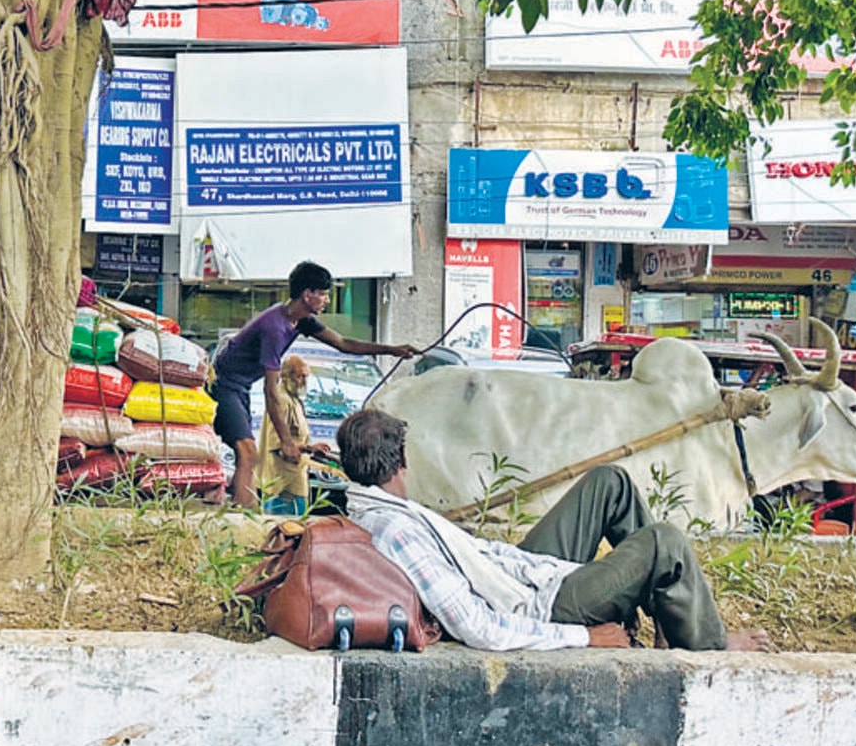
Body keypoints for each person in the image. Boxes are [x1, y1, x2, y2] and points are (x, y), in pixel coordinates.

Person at [336, 408, 773, 652]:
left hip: (511, 580)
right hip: (532, 609)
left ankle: (670, 620)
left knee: (609, 483)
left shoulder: (380, 507)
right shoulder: (395, 530)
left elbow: (478, 556)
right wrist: (586, 636)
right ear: (401, 463)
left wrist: (543, 565)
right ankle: (707, 644)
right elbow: (479, 626)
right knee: (666, 543)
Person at [212, 261, 417, 508]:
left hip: (240, 387)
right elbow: (271, 393)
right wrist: (286, 441)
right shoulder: (275, 328)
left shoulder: (302, 320)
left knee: (245, 455)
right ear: (308, 295)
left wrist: (392, 349)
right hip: (224, 385)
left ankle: (232, 505)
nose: (327, 300)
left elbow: (343, 343)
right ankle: (242, 520)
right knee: (248, 453)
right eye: (323, 294)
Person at [257, 355, 323, 516]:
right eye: (300, 376)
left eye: (306, 376)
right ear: (286, 377)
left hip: (295, 482)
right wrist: (309, 448)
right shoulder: (282, 401)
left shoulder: (293, 400)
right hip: (283, 487)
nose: (304, 381)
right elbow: (278, 445)